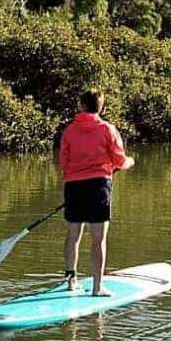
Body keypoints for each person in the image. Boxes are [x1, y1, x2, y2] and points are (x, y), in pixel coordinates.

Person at [58, 88, 134, 296]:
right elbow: (120, 160)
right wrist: (129, 162)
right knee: (98, 239)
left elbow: (63, 160)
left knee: (73, 234)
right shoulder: (108, 129)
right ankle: (97, 288)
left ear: (81, 106)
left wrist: (72, 177)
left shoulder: (69, 131)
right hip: (99, 185)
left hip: (73, 186)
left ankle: (70, 282)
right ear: (100, 107)